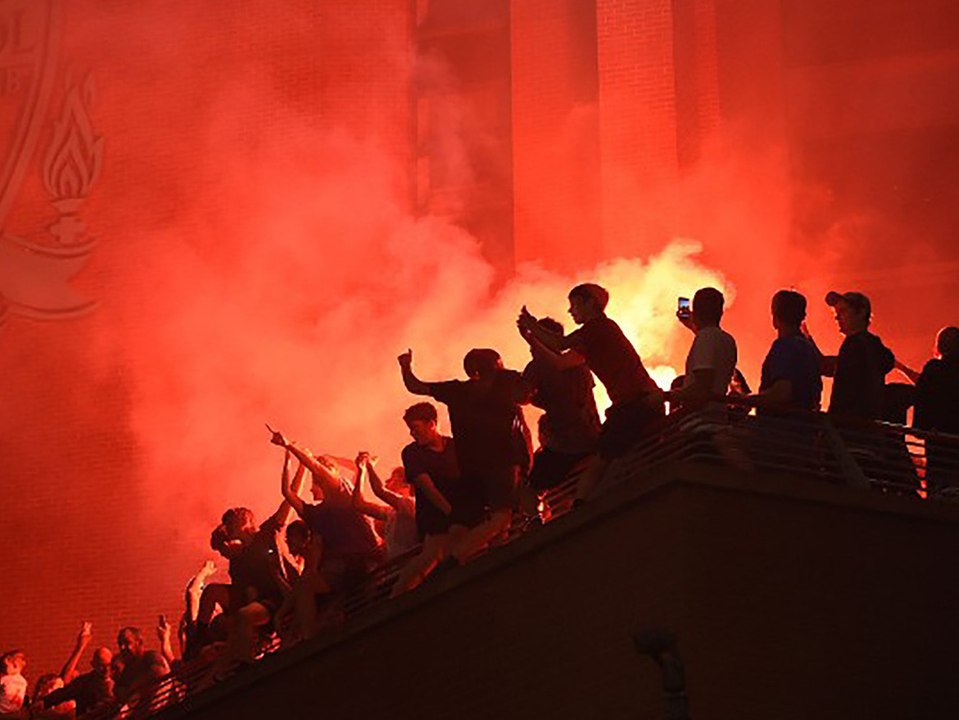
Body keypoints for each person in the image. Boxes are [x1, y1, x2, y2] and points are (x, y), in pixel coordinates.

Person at [517, 283, 664, 500]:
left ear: (590, 303)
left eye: (574, 304)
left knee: (600, 462)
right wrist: (533, 339)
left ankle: (581, 510)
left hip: (634, 403)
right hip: (638, 402)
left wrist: (532, 327)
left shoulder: (598, 329)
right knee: (610, 459)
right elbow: (562, 362)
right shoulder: (598, 334)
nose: (570, 310)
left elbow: (560, 346)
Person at [399, 348, 532, 567]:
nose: (502, 368)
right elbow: (527, 403)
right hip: (502, 463)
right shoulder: (506, 383)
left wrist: (405, 367)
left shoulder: (455, 390)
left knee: (466, 521)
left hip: (469, 467)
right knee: (501, 516)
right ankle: (453, 561)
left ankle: (496, 563)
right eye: (498, 364)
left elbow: (415, 386)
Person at [273, 438, 383, 595]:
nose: (311, 488)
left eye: (314, 481)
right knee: (304, 587)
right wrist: (289, 459)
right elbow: (287, 492)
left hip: (362, 560)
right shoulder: (316, 513)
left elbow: (317, 469)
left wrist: (290, 446)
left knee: (306, 587)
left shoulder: (344, 493)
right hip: (339, 567)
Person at [519, 317, 601, 517]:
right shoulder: (578, 362)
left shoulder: (537, 367)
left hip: (565, 444)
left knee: (529, 489)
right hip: (594, 437)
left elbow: (521, 396)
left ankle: (536, 523)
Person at [390, 402, 470, 595]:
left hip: (462, 512)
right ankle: (396, 598)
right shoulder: (412, 453)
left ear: (432, 424)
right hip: (435, 517)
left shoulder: (454, 446)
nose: (412, 434)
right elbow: (427, 488)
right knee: (432, 556)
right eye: (410, 429)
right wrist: (453, 514)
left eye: (415, 428)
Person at [806, 290, 894, 421]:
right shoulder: (872, 346)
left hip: (849, 427)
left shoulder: (854, 344)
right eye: (836, 313)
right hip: (868, 427)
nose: (837, 317)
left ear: (861, 312)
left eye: (843, 311)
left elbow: (828, 367)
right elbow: (829, 366)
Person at [751, 290, 822, 411]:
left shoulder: (785, 346)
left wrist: (746, 400)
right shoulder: (808, 348)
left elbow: (782, 393)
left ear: (775, 316)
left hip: (780, 425)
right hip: (805, 424)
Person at [671, 287, 737, 407]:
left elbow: (702, 388)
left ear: (695, 312)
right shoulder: (728, 340)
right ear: (720, 312)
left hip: (699, 420)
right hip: (717, 416)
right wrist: (693, 326)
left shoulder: (705, 338)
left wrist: (668, 396)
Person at [913, 326, 959, 495]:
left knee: (939, 494)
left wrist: (921, 428)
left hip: (938, 449)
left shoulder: (933, 370)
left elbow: (922, 400)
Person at [351, 455, 418, 561]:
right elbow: (359, 504)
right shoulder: (391, 512)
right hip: (396, 566)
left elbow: (379, 490)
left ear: (406, 485)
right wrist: (361, 471)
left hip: (407, 563)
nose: (387, 482)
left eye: (392, 479)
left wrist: (369, 466)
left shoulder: (410, 504)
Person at [43, 623, 114, 717]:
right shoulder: (85, 683)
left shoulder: (120, 679)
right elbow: (64, 684)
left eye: (109, 665)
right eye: (102, 666)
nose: (106, 669)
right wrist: (80, 647)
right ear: (94, 665)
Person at [113, 627, 170, 710]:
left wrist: (134, 687)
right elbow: (118, 690)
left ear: (139, 643)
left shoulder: (152, 657)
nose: (122, 647)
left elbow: (159, 672)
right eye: (120, 644)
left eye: (127, 643)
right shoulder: (128, 669)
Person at [0, 650, 27, 716]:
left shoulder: (5, 679)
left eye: (5, 666)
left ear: (15, 665)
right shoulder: (23, 681)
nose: (4, 669)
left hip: (2, 711)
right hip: (14, 712)